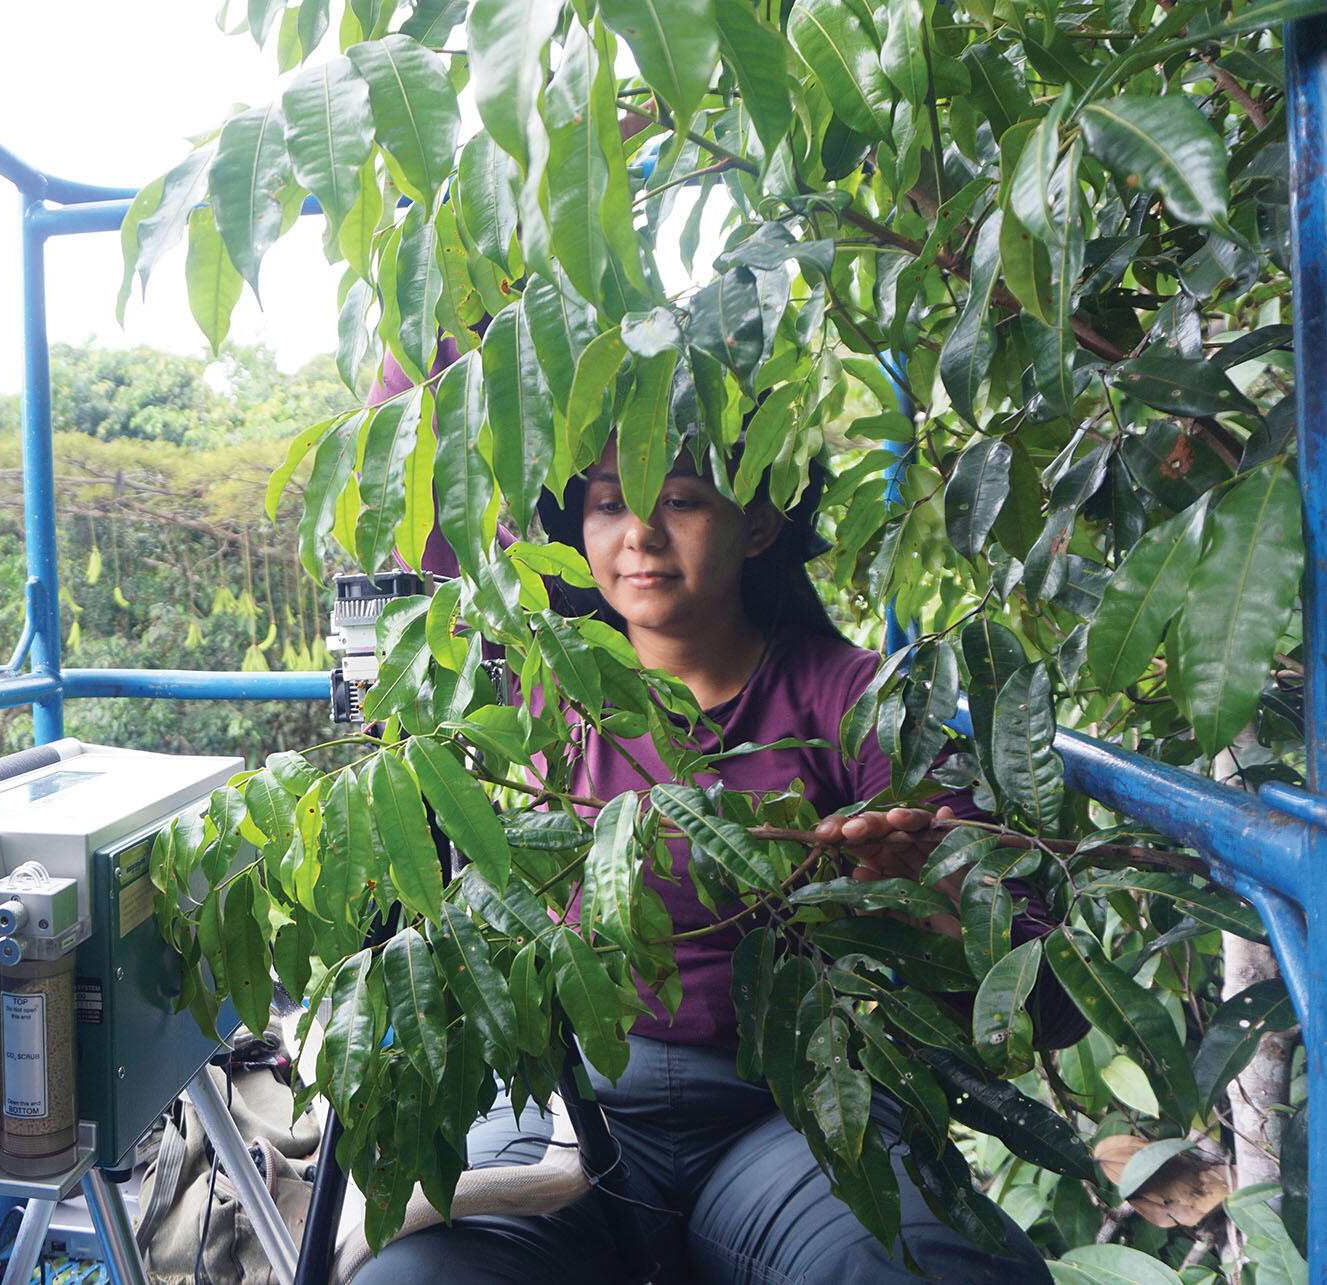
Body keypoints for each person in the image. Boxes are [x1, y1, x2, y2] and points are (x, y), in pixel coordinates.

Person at [350, 426, 1077, 1284]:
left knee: (921, 1266)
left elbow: (1047, 1001)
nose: (640, 534)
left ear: (760, 520)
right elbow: (426, 488)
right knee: (417, 1274)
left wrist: (919, 893)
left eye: (682, 499)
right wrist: (478, 322)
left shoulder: (860, 701)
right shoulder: (546, 678)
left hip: (792, 1111)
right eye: (610, 502)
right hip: (562, 1101)